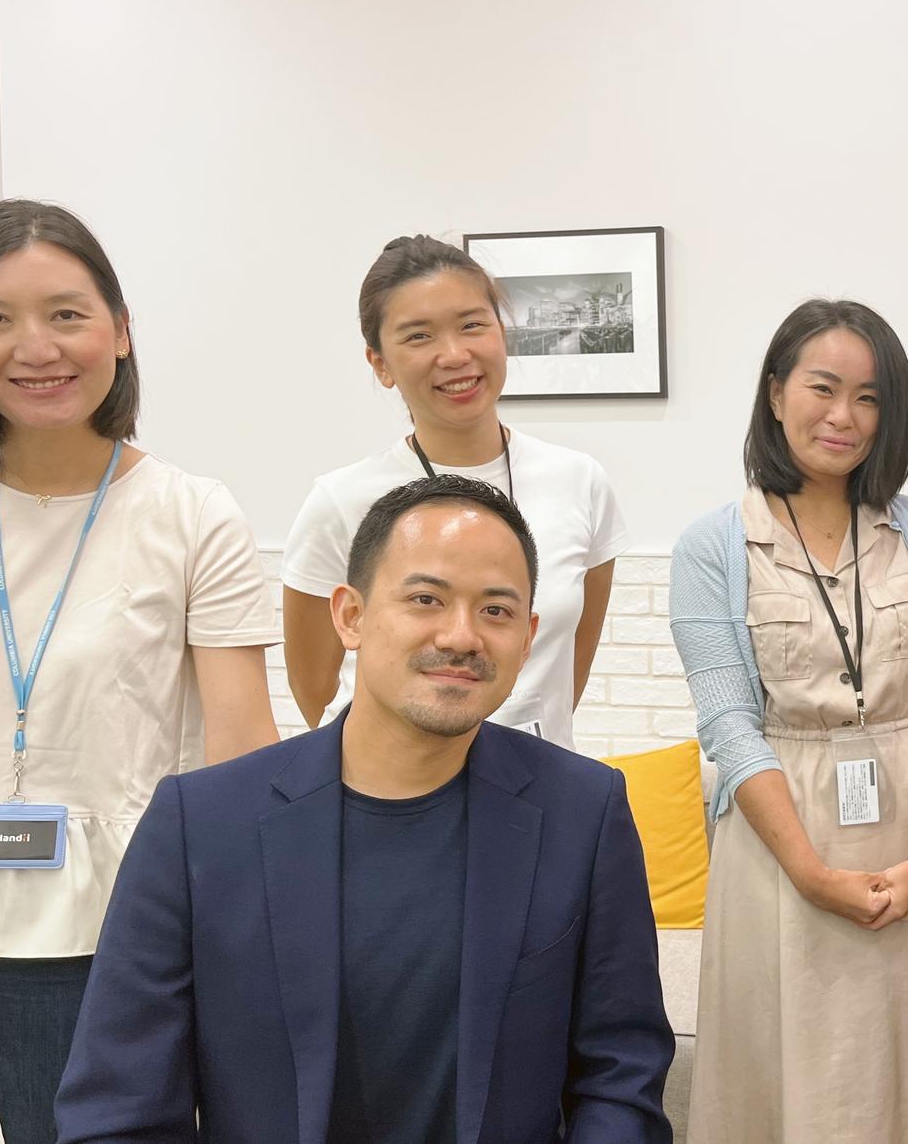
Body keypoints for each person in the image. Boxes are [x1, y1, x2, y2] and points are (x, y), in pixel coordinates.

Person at [54, 474, 673, 1143]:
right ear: (350, 615)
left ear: (527, 639)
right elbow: (119, 1106)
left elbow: (621, 1073)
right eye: (426, 599)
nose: (461, 636)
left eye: (496, 611)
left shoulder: (584, 811)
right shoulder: (199, 822)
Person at [0, 200, 279, 1143]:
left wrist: (244, 930)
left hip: (95, 929)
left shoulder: (192, 514)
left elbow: (242, 751)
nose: (37, 348)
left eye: (66, 313)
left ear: (120, 330)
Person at [669, 298, 908, 1142]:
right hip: (783, 845)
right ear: (776, 392)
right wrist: (811, 872)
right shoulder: (713, 545)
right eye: (824, 388)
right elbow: (729, 725)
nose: (844, 416)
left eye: (869, 397)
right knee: (803, 1080)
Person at [282, 234, 626, 748]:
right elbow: (315, 688)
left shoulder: (580, 481)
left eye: (472, 325)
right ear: (380, 363)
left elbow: (564, 671)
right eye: (418, 336)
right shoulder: (340, 500)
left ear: (502, 333)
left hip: (534, 775)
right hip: (389, 779)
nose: (454, 355)